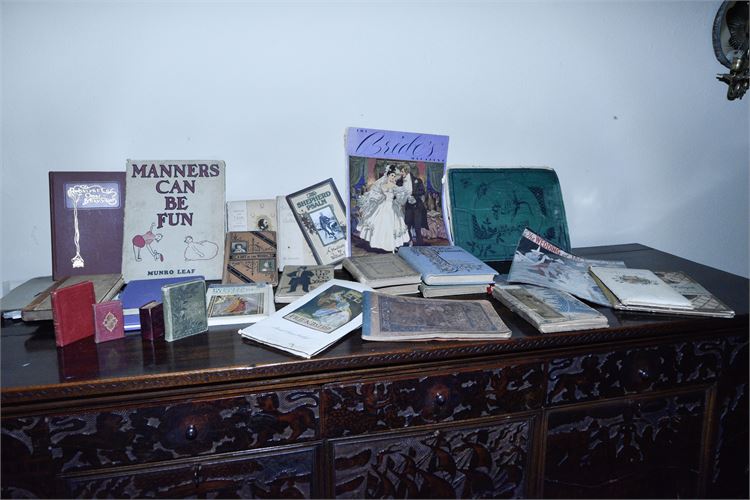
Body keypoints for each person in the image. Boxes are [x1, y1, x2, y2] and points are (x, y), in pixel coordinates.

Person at [356, 165, 410, 252]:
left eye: (394, 176)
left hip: (392, 207)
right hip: (383, 206)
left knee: (392, 225)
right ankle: (380, 244)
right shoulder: (382, 185)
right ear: (387, 175)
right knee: (381, 225)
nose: (393, 177)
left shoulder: (395, 186)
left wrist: (403, 195)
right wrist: (380, 197)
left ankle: (391, 245)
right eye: (392, 175)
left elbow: (400, 196)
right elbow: (375, 195)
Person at [397, 165, 428, 245]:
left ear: (407, 171)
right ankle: (409, 241)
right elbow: (397, 193)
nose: (401, 173)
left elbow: (422, 191)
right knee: (407, 226)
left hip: (417, 206)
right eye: (400, 171)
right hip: (407, 207)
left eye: (402, 171)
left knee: (417, 227)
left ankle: (420, 245)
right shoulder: (399, 182)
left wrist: (413, 195)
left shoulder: (417, 180)